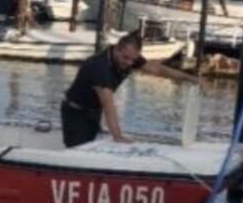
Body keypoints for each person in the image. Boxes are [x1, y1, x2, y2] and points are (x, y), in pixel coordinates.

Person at [61, 33, 198, 147]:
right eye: (125, 58)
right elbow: (109, 106)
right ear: (117, 49)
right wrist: (118, 137)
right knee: (80, 150)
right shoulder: (99, 67)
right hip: (76, 113)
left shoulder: (130, 58)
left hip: (94, 110)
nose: (128, 63)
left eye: (133, 60)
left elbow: (157, 69)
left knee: (93, 143)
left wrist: (190, 78)